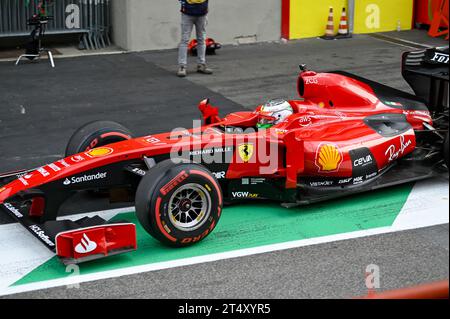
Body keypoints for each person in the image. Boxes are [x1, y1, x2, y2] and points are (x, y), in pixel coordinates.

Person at [178, 0, 213, 77]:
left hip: (202, 13)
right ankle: (182, 66)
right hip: (187, 13)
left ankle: (201, 64)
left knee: (201, 39)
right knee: (184, 40)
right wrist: (184, 4)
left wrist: (205, 8)